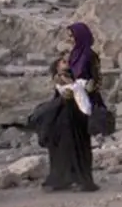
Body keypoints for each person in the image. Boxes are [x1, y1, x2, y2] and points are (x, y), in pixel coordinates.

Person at [43, 22, 102, 192]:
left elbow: (96, 81)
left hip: (81, 106)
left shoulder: (90, 56)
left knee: (80, 143)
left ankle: (84, 181)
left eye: (72, 35)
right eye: (68, 36)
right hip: (66, 104)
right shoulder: (73, 54)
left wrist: (82, 87)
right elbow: (61, 72)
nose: (69, 39)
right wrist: (59, 81)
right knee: (62, 141)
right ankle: (62, 178)